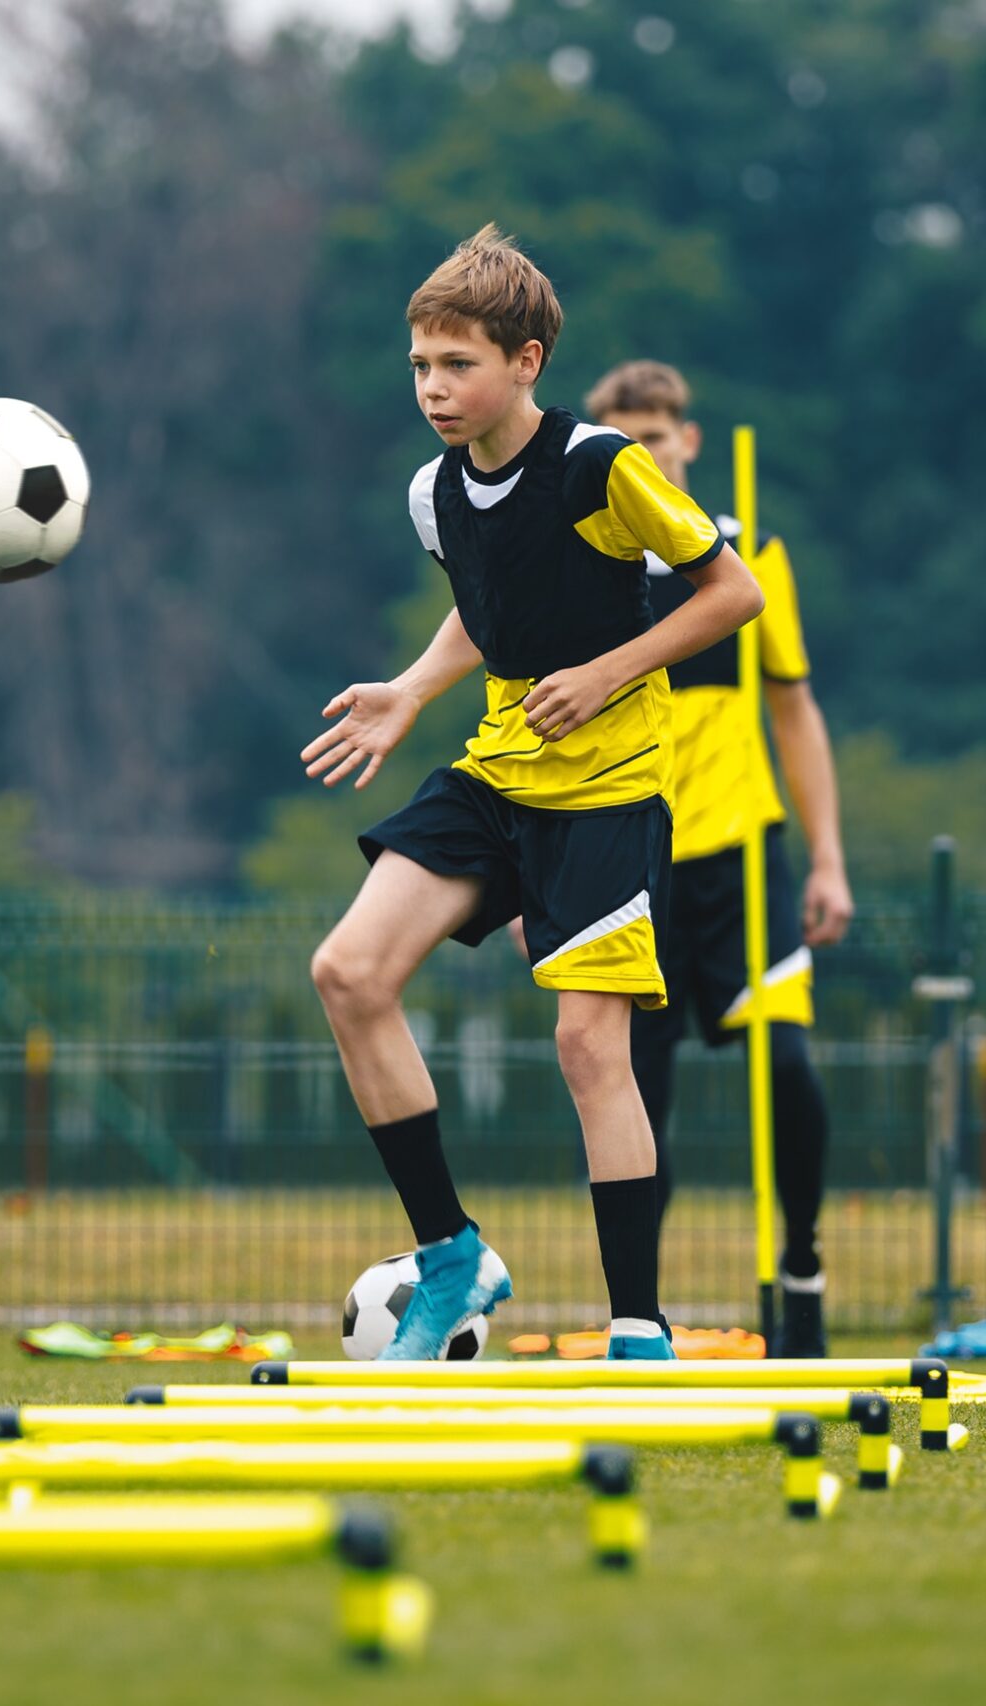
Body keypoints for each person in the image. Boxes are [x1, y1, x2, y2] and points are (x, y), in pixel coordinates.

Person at [301, 226, 763, 1364]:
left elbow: (730, 590)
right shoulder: (434, 491)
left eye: (456, 363)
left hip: (609, 787)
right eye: (418, 364)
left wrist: (608, 671)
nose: (432, 387)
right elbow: (487, 600)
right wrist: (412, 689)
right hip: (497, 770)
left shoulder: (601, 464)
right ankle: (450, 1253)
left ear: (527, 360)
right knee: (348, 972)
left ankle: (637, 1325)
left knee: (585, 1047)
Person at [584, 358, 854, 1357]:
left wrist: (826, 857)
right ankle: (635, 1310)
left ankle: (802, 1258)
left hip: (741, 853)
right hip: (626, 852)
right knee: (632, 1092)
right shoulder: (586, 560)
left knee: (784, 1066)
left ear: (687, 442)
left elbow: (794, 706)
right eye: (624, 439)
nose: (644, 451)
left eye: (657, 435)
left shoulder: (748, 556)